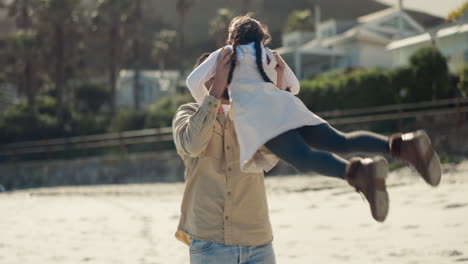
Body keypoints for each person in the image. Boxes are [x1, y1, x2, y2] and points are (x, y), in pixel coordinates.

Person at [185, 13, 442, 224]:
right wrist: (278, 75)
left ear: (232, 37)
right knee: (341, 141)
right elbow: (294, 87)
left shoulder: (226, 53)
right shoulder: (269, 56)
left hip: (262, 120)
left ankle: (360, 172)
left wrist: (216, 107)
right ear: (261, 39)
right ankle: (402, 145)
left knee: (304, 159)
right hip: (289, 108)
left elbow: (193, 81)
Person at [172, 50, 285, 263]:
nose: (222, 79)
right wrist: (214, 94)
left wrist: (276, 84)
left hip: (258, 240)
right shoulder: (186, 114)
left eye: (225, 73)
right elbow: (193, 145)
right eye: (213, 74)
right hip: (210, 241)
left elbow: (270, 156)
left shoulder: (248, 116)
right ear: (200, 80)